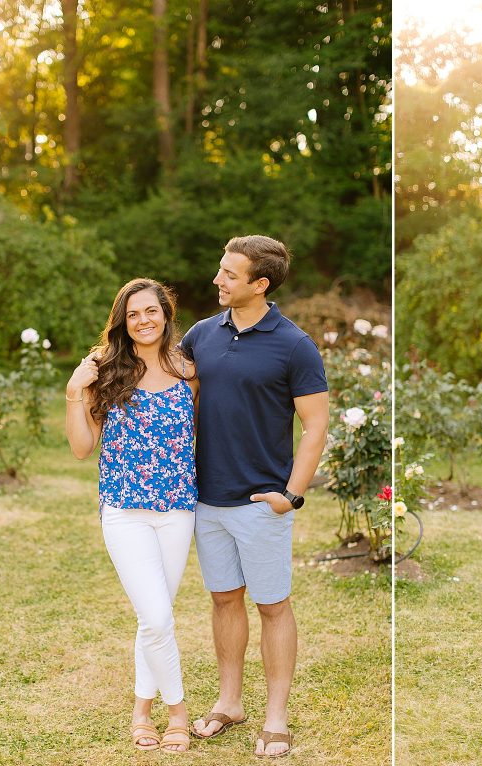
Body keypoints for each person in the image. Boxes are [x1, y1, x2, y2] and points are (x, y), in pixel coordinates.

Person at [181, 235, 329, 758]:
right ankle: (229, 702)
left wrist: (291, 494)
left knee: (272, 606)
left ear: (259, 284)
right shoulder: (200, 335)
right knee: (223, 600)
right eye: (220, 270)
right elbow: (161, 386)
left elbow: (315, 427)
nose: (217, 280)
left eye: (229, 274)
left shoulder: (294, 345)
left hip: (262, 504)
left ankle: (276, 716)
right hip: (206, 499)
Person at [65, 278, 198, 753]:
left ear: (166, 313)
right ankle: (177, 712)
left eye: (151, 311)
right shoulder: (107, 370)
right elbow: (83, 448)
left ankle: (141, 709)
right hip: (124, 512)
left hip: (178, 510)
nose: (143, 321)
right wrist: (73, 392)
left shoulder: (188, 369)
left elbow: (198, 435)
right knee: (159, 616)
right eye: (133, 314)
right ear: (122, 321)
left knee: (153, 618)